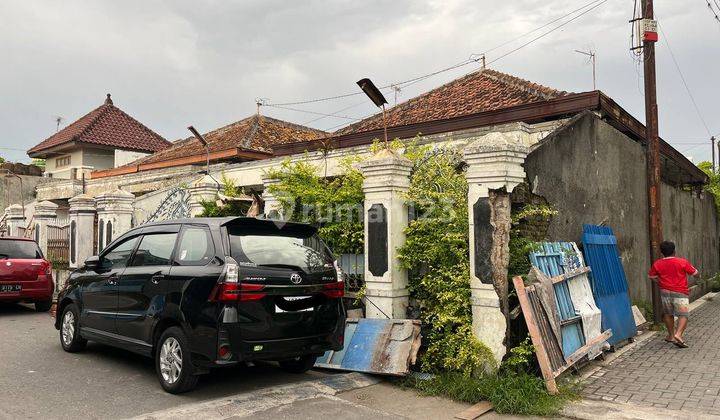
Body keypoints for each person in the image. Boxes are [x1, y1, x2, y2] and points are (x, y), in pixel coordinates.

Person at [648, 241, 698, 348]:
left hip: (665, 292)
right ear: (674, 251)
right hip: (680, 291)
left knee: (668, 313)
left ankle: (670, 335)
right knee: (683, 314)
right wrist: (698, 276)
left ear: (662, 252)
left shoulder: (657, 263)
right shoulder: (682, 262)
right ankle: (678, 334)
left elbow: (652, 277)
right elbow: (695, 273)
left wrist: (660, 283)